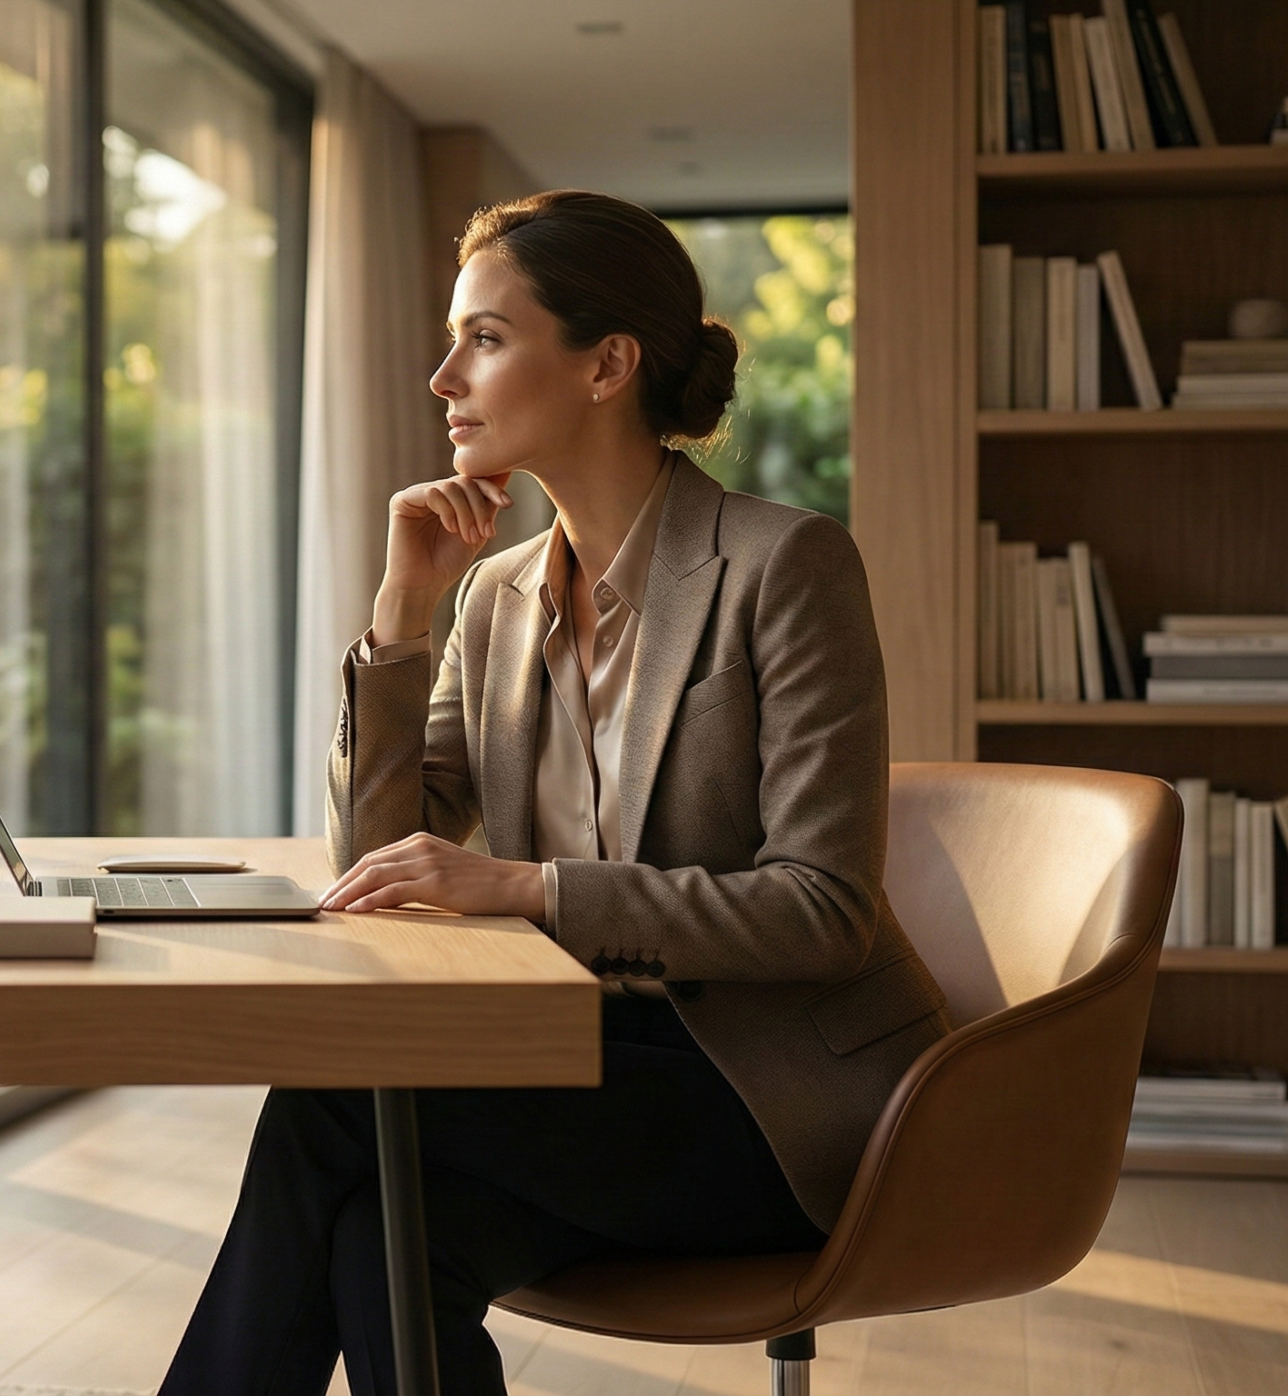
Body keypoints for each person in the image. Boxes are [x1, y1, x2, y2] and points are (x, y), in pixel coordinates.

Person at [159, 190, 952, 1395]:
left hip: (775, 1103)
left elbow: (822, 909)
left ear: (607, 365)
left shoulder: (785, 567)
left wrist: (527, 887)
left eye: (483, 337)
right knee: (383, 1240)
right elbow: (376, 856)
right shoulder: (495, 597)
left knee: (337, 1101)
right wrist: (401, 616)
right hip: (582, 1068)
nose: (442, 376)